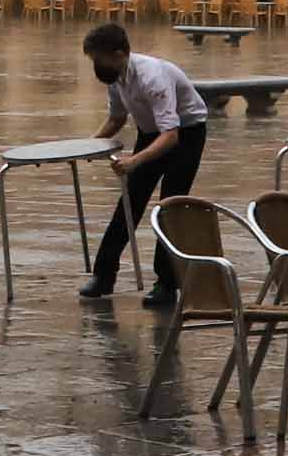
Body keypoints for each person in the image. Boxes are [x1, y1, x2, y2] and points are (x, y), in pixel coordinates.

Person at [77, 22, 210, 307]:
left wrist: (134, 161)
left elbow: (171, 136)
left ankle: (166, 284)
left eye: (98, 59)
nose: (96, 65)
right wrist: (87, 145)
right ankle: (103, 276)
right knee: (129, 202)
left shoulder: (152, 77)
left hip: (186, 133)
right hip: (153, 132)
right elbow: (116, 119)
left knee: (169, 206)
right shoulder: (116, 79)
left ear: (118, 53)